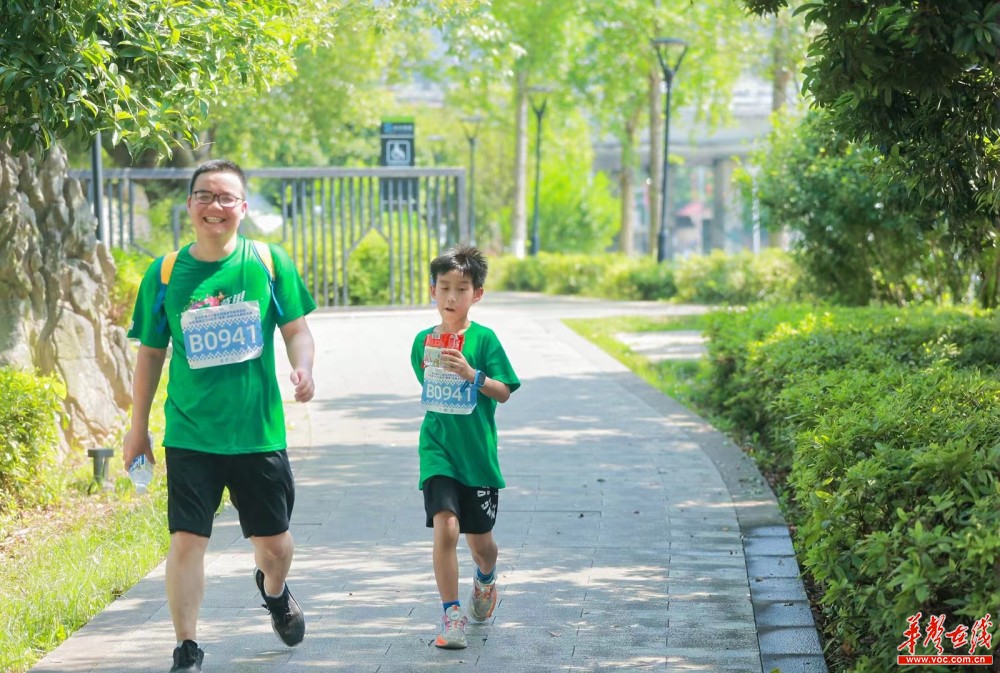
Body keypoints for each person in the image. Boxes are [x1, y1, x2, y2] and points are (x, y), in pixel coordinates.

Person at [123, 159, 316, 673]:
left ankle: (273, 592)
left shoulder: (269, 262)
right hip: (190, 432)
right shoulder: (165, 273)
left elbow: (296, 329)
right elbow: (149, 353)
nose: (215, 206)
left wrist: (303, 368)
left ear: (244, 208)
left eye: (227, 197)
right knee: (187, 540)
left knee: (274, 547)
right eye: (205, 196)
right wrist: (137, 428)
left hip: (257, 434)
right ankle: (186, 646)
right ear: (189, 205)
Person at [409, 244, 520, 649]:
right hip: (437, 450)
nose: (452, 297)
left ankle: (486, 580)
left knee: (482, 546)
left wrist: (473, 375)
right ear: (432, 291)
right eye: (444, 288)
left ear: (478, 294)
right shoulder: (422, 342)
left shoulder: (485, 340)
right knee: (446, 528)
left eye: (462, 288)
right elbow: (430, 394)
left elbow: (504, 391)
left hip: (477, 457)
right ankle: (451, 615)